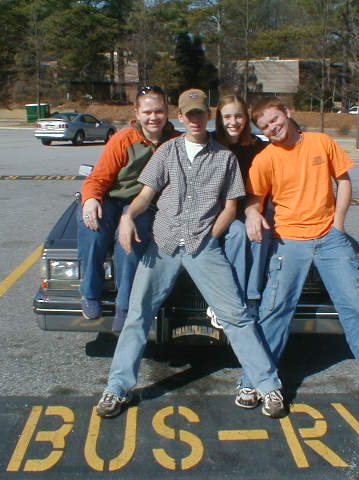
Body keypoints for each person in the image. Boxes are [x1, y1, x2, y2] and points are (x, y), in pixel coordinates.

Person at [95, 89, 285, 419]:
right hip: (165, 245)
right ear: (180, 118)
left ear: (207, 116)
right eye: (189, 114)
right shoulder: (167, 152)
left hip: (203, 247)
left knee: (236, 315)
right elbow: (145, 194)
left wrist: (208, 238)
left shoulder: (224, 157)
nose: (196, 119)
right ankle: (117, 388)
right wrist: (127, 217)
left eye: (201, 114)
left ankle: (268, 386)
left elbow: (230, 207)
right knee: (138, 316)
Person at [241, 96, 359, 405]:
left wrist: (339, 224)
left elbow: (343, 182)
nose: (272, 128)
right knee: (274, 309)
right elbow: (255, 199)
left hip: (329, 239)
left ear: (288, 113)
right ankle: (254, 380)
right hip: (288, 240)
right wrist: (252, 214)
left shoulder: (321, 142)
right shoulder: (265, 159)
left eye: (275, 120)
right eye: (265, 126)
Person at [78, 86, 178, 332]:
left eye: (159, 111)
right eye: (147, 112)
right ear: (137, 112)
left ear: (167, 112)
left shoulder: (175, 142)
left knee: (131, 240)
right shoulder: (123, 139)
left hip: (146, 204)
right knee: (94, 228)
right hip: (112, 198)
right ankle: (90, 292)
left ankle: (124, 305)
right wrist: (91, 199)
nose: (153, 117)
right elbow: (98, 178)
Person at [208, 95, 269, 327]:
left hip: (246, 206)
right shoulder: (210, 142)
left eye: (239, 116)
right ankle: (225, 299)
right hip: (213, 208)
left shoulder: (258, 147)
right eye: (227, 116)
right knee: (236, 233)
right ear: (219, 118)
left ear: (246, 118)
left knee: (256, 232)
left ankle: (250, 298)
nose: (233, 121)